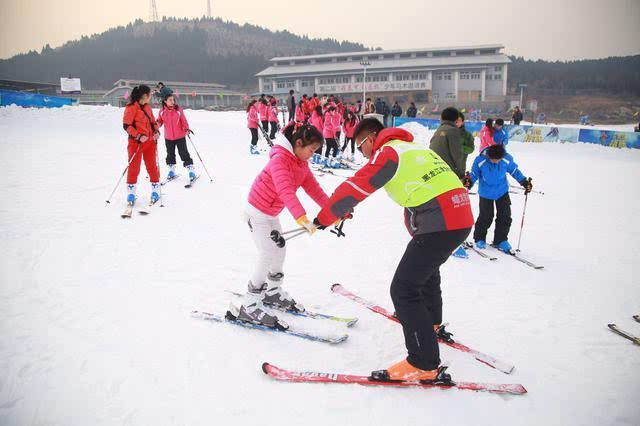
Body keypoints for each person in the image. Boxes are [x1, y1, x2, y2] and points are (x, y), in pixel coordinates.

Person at [315, 118, 474, 383]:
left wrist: (325, 216)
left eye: (361, 145)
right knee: (425, 270)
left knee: (403, 289)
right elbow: (416, 196)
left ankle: (424, 362)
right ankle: (431, 323)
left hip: (442, 221)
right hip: (459, 216)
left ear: (372, 138)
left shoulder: (387, 152)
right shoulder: (414, 149)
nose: (362, 153)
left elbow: (356, 185)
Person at [229, 123, 330, 329]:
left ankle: (272, 292)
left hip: (271, 213)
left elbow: (313, 188)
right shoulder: (280, 160)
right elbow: (286, 191)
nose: (312, 155)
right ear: (299, 143)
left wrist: (334, 210)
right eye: (311, 150)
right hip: (256, 211)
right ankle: (250, 302)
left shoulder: (301, 163)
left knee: (280, 249)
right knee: (267, 253)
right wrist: (302, 218)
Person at [463, 144, 532, 252]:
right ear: (489, 156)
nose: (496, 161)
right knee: (486, 217)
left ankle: (500, 240)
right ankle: (479, 239)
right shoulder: (480, 160)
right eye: (493, 160)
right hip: (486, 192)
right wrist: (469, 182)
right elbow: (474, 174)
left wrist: (524, 182)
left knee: (505, 216)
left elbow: (514, 171)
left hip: (502, 191)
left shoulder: (506, 159)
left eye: (498, 160)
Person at [122, 85, 161, 205]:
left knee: (152, 166)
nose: (151, 97)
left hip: (150, 143)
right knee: (134, 168)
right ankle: (131, 193)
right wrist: (138, 136)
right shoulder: (131, 108)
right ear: (145, 95)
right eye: (150, 94)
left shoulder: (148, 107)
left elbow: (153, 122)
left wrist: (156, 132)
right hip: (136, 144)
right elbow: (126, 126)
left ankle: (155, 190)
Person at [157, 94, 196, 181]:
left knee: (184, 153)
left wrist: (186, 128)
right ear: (165, 101)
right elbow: (160, 121)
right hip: (168, 137)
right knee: (170, 154)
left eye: (173, 100)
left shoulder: (178, 110)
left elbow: (184, 121)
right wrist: (156, 126)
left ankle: (191, 170)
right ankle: (171, 170)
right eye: (170, 100)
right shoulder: (162, 111)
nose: (172, 101)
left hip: (180, 136)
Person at [429, 107, 465, 179]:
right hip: (447, 171)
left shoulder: (439, 129)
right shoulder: (453, 131)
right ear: (456, 120)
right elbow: (456, 154)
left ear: (442, 117)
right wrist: (460, 173)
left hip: (435, 168)